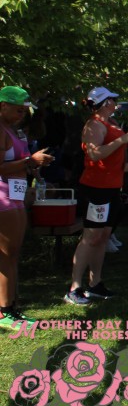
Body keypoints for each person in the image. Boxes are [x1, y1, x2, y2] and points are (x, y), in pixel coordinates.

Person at [65, 86, 128, 305]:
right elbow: (94, 153)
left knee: (103, 236)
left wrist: (126, 159)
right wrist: (121, 141)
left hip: (112, 186)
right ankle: (74, 288)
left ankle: (95, 283)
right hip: (96, 188)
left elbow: (113, 153)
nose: (116, 102)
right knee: (91, 237)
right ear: (105, 103)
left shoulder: (111, 122)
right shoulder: (93, 125)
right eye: (113, 99)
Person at [0, 87, 54, 328]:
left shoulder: (13, 130)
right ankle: (4, 312)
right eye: (19, 110)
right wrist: (30, 161)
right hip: (3, 197)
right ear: (3, 105)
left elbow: (17, 162)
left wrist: (33, 164)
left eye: (24, 111)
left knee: (13, 253)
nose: (22, 115)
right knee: (6, 254)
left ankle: (11, 306)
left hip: (15, 194)